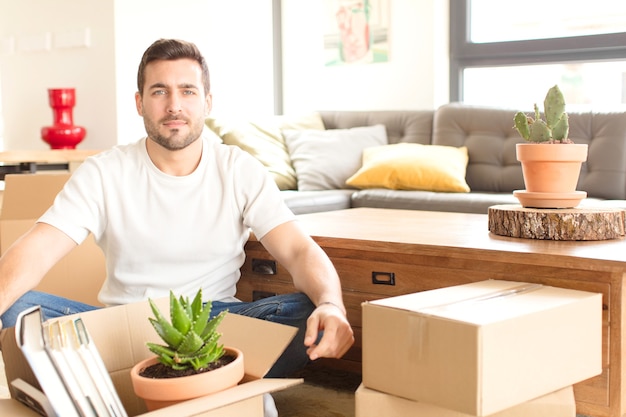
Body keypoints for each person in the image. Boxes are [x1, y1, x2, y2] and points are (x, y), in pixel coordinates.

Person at [0, 38, 354, 389]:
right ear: (139, 103)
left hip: (214, 330)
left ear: (207, 102)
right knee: (16, 311)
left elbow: (298, 250)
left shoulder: (238, 169)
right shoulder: (103, 172)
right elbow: (39, 248)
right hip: (123, 332)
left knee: (311, 310)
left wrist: (332, 305)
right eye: (159, 92)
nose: (174, 106)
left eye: (187, 91)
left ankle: (167, 384)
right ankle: (214, 384)